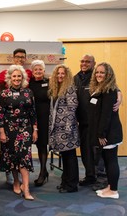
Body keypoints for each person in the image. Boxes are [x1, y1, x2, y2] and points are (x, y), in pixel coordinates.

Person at [74, 54, 122, 188]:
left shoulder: (100, 79)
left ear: (93, 63)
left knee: (99, 153)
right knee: (86, 152)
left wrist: (120, 95)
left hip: (97, 124)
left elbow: (114, 89)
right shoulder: (76, 78)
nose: (84, 63)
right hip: (83, 122)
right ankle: (90, 175)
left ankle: (102, 179)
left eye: (88, 62)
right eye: (82, 61)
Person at [0, 65, 37, 200]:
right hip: (9, 129)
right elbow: (1, 115)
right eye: (14, 76)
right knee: (13, 156)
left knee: (24, 156)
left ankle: (26, 188)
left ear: (23, 78)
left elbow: (33, 113)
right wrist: (1, 132)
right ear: (10, 78)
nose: (16, 78)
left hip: (25, 128)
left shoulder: (29, 92)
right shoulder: (3, 94)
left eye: (19, 76)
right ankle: (16, 181)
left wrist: (35, 129)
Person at [0, 48, 33, 184]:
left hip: (25, 119)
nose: (20, 59)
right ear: (13, 58)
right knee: (10, 152)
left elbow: (39, 77)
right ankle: (13, 177)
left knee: (23, 153)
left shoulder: (29, 73)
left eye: (23, 57)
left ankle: (25, 182)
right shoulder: (6, 73)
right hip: (9, 119)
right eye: (18, 57)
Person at [88, 62, 122, 199]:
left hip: (109, 133)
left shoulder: (109, 90)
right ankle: (110, 186)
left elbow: (106, 115)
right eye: (97, 72)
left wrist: (101, 134)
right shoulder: (101, 88)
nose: (99, 75)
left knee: (111, 160)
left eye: (102, 72)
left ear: (108, 75)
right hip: (105, 132)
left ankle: (113, 191)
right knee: (107, 160)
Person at [48, 64, 80, 193]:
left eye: (63, 74)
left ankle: (72, 185)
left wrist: (68, 129)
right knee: (65, 157)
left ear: (67, 76)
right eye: (58, 73)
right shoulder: (56, 89)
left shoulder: (70, 88)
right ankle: (65, 181)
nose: (60, 75)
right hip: (58, 130)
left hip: (67, 129)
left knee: (70, 157)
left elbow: (72, 109)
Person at [29, 60, 50, 186]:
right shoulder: (28, 84)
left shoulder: (49, 83)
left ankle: (42, 172)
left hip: (45, 118)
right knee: (37, 144)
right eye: (35, 69)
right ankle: (44, 170)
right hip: (32, 118)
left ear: (44, 70)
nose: (38, 71)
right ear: (32, 71)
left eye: (40, 69)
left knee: (42, 145)